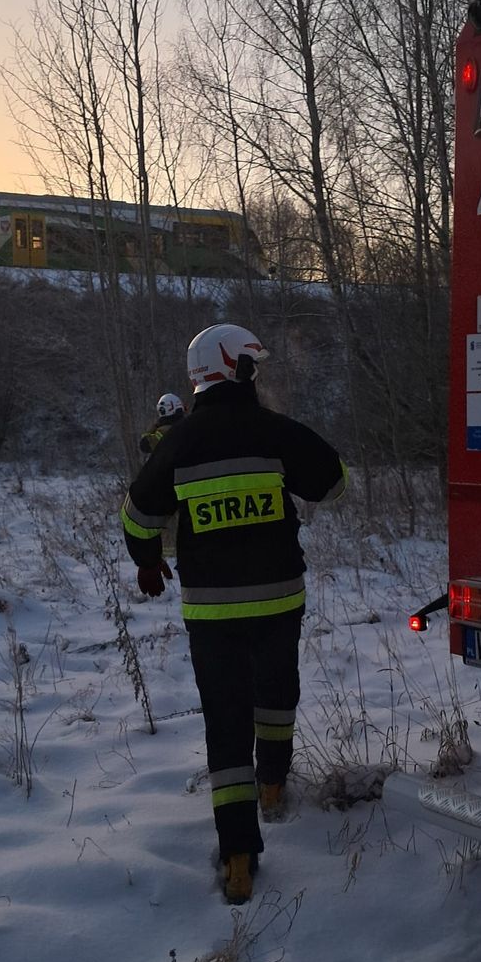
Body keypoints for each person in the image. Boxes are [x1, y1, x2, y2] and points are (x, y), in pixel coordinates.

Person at [121, 324, 346, 904]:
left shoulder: (178, 442)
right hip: (279, 599)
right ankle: (273, 781)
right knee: (276, 694)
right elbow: (334, 482)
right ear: (239, 369)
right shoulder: (274, 431)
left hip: (212, 612)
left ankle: (238, 855)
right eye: (254, 366)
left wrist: (148, 563)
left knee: (225, 723)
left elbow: (137, 513)